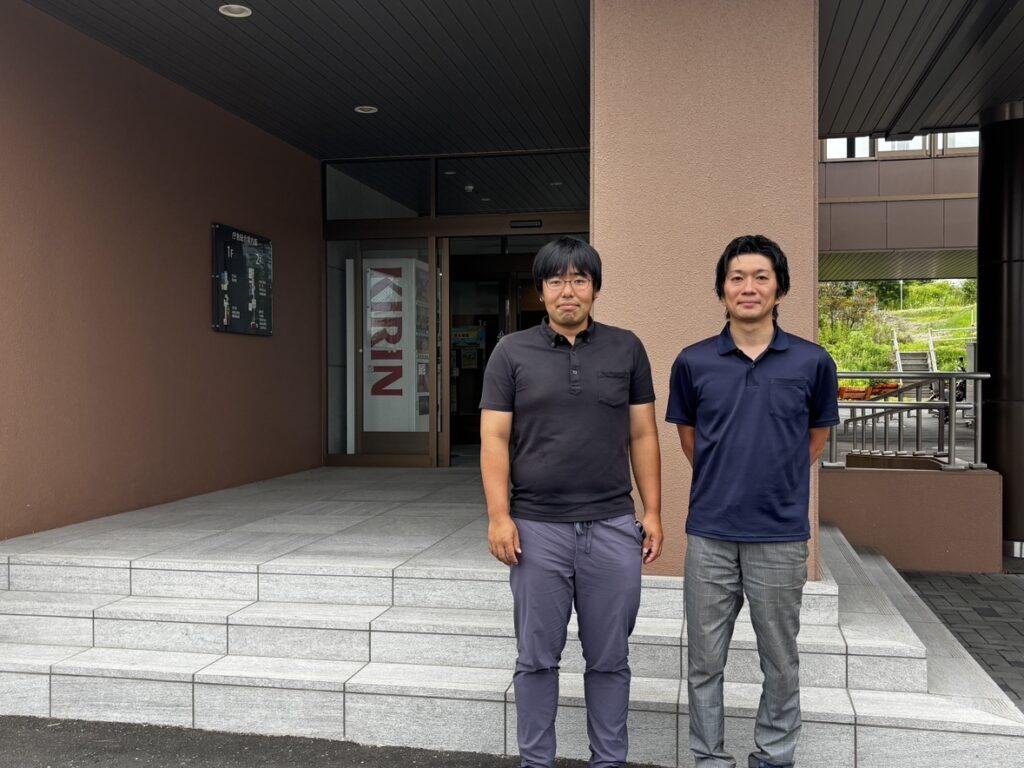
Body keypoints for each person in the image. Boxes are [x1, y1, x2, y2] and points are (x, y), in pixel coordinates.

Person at [480, 236, 663, 768]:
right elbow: (493, 439)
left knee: (610, 659)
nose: (568, 291)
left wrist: (652, 512)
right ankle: (536, 761)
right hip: (536, 529)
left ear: (595, 288)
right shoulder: (511, 352)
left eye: (579, 280)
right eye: (556, 280)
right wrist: (499, 516)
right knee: (536, 659)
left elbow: (643, 435)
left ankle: (609, 761)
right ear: (541, 291)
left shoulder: (626, 348)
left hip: (611, 525)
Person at [666, 235, 839, 768]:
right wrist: (727, 477)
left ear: (780, 289)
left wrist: (773, 477)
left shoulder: (812, 361)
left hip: (780, 535)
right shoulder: (693, 361)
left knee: (780, 661)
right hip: (710, 533)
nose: (748, 287)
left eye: (761, 277)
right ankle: (709, 758)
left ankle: (774, 756)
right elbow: (690, 439)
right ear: (721, 290)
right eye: (736, 277)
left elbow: (815, 438)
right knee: (704, 661)